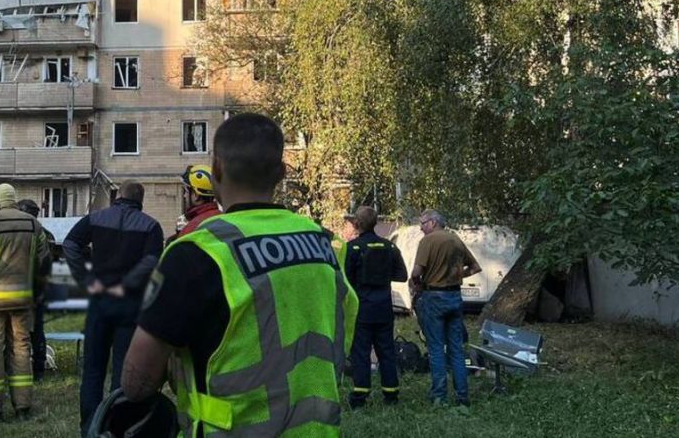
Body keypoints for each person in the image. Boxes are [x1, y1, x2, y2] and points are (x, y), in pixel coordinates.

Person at [121, 113, 357, 436]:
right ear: (281, 173)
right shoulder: (324, 243)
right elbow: (342, 330)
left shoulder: (194, 253)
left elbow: (137, 383)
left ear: (216, 170)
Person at [64, 182, 162, 435]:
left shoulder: (95, 218)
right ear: (141, 200)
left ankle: (89, 428)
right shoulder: (150, 226)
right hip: (130, 304)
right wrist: (127, 284)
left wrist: (86, 280)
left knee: (93, 370)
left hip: (99, 301)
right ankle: (115, 428)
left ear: (118, 196)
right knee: (122, 370)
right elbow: (152, 260)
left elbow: (70, 244)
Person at [0, 184, 50, 421]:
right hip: (23, 300)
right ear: (14, 199)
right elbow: (44, 262)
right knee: (21, 350)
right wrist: (35, 290)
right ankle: (23, 408)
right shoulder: (34, 225)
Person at [410, 209, 481, 406]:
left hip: (433, 297)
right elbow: (475, 267)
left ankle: (439, 396)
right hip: (455, 298)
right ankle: (462, 396)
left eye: (423, 223)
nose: (421, 228)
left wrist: (417, 284)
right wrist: (458, 276)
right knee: (456, 349)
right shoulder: (456, 240)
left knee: (436, 349)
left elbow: (416, 272)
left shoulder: (427, 241)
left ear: (433, 223)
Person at [344, 206, 407, 408]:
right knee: (386, 351)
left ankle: (360, 396)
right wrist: (382, 275)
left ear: (357, 223)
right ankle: (391, 394)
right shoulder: (389, 247)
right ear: (376, 222)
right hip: (384, 309)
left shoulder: (352, 248)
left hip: (362, 308)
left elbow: (345, 279)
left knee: (360, 353)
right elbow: (402, 275)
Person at [16, 199, 54, 382]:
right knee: (35, 330)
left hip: (26, 288)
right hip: (36, 288)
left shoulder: (30, 233)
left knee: (27, 330)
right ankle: (37, 368)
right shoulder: (44, 233)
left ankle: (31, 367)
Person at [170, 164, 220, 242]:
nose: (184, 196)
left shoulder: (191, 228)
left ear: (196, 196)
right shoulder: (222, 217)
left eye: (186, 191)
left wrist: (179, 236)